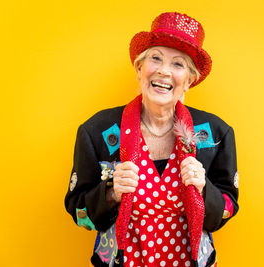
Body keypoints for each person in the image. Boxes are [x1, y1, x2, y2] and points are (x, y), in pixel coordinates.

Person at [65, 12, 239, 267]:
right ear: (139, 68)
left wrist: (204, 189)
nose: (164, 71)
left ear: (190, 80)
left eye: (178, 64)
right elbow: (79, 214)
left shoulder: (216, 134)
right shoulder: (96, 131)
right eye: (155, 59)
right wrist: (112, 194)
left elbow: (228, 208)